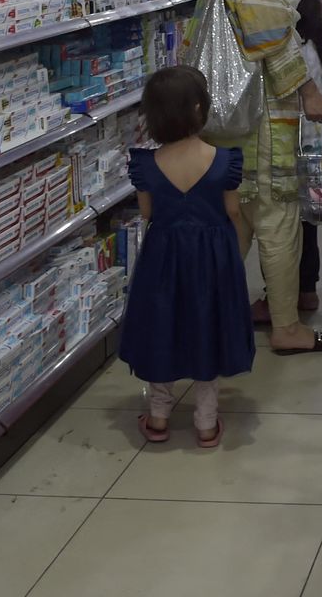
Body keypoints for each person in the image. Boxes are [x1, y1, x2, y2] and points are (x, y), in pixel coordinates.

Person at [195, 0, 322, 355]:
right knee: (278, 216)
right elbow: (269, 34)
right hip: (263, 108)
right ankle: (286, 327)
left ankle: (209, 316)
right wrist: (307, 92)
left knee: (235, 217)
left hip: (234, 108)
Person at [119, 67, 254, 449]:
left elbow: (147, 214)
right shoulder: (225, 160)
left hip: (163, 257)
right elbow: (231, 210)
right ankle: (206, 422)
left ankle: (159, 415)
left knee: (163, 324)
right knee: (207, 326)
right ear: (200, 108)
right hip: (212, 258)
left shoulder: (144, 164)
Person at [252, 0, 322, 326]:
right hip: (313, 144)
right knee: (308, 223)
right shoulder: (316, 45)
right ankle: (307, 290)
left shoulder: (287, 53)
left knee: (280, 225)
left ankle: (276, 297)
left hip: (288, 144)